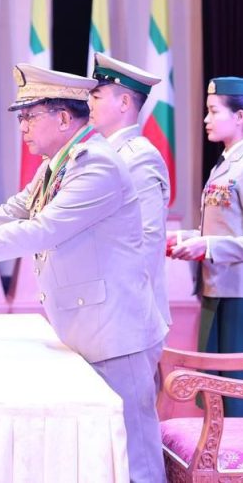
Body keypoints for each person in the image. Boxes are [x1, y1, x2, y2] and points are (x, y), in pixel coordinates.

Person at [0, 63, 169, 483]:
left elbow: (41, 230)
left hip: (117, 332)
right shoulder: (58, 164)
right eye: (21, 117)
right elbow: (8, 213)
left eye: (29, 116)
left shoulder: (97, 165)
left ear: (63, 118)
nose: (22, 126)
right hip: (89, 324)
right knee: (98, 455)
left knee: (134, 459)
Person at [167, 76, 243, 418]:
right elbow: (221, 227)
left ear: (240, 117)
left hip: (242, 292)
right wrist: (184, 239)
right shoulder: (227, 162)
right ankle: (224, 444)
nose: (207, 119)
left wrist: (208, 247)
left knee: (242, 385)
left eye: (214, 111)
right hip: (219, 286)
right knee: (218, 383)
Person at [88, 53, 172, 330]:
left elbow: (147, 239)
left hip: (130, 310)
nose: (89, 103)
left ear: (124, 103)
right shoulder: (104, 153)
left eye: (96, 96)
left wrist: (122, 304)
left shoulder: (138, 158)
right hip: (105, 304)